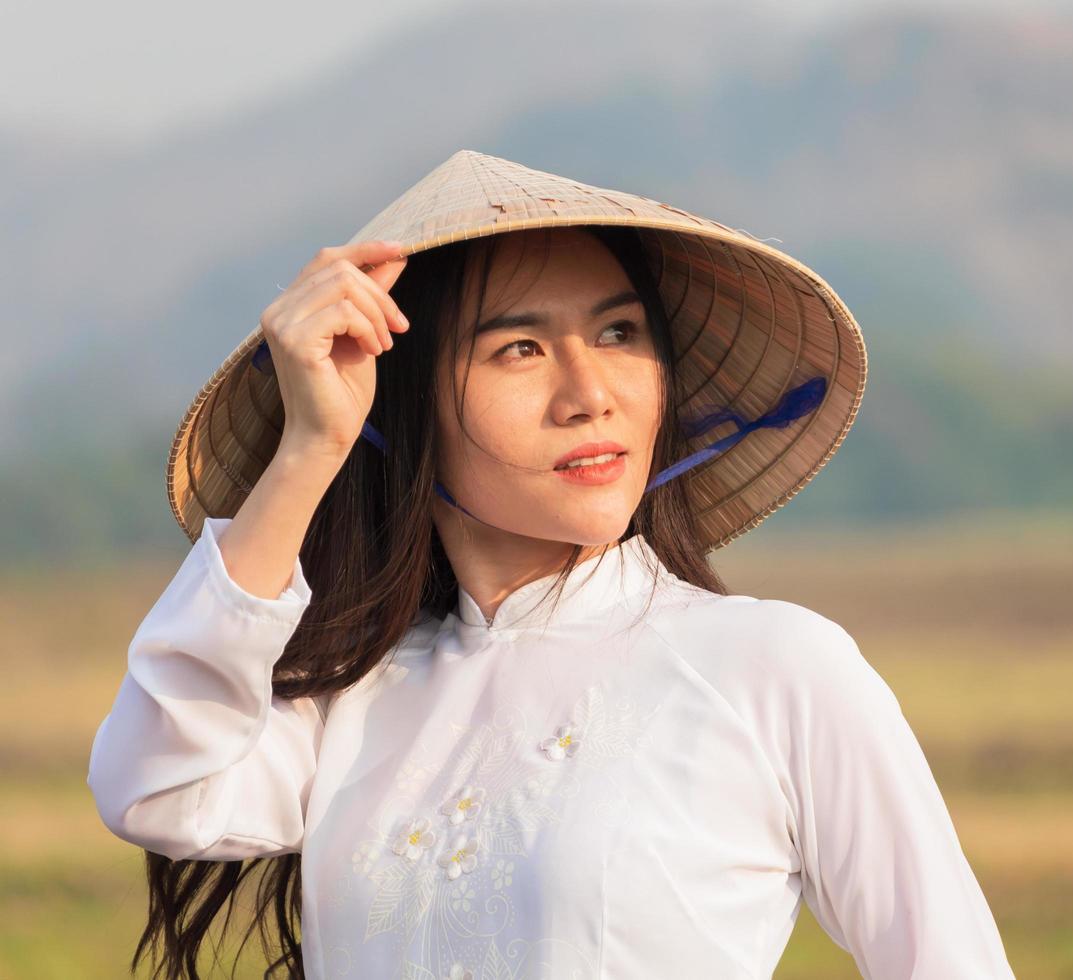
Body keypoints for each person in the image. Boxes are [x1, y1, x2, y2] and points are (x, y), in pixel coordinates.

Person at [88, 151, 1016, 979]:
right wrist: (308, 448)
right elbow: (160, 790)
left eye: (619, 335)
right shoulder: (355, 698)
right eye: (518, 349)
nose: (590, 395)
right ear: (401, 407)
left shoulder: (772, 666)